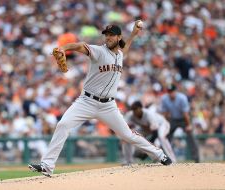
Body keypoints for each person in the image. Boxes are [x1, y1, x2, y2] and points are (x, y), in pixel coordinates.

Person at [28, 21, 172, 177]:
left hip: (108, 106)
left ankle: (159, 155)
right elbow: (81, 46)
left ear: (118, 37)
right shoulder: (99, 51)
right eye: (106, 35)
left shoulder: (120, 54)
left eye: (111, 35)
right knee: (63, 124)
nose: (108, 38)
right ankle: (47, 165)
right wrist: (63, 48)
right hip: (86, 102)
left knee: (128, 135)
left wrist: (133, 34)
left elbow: (126, 48)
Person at [122, 101, 177, 165]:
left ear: (141, 108)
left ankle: (173, 160)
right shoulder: (131, 114)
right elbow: (123, 126)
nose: (134, 111)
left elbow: (155, 134)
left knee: (161, 137)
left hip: (161, 125)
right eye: (133, 109)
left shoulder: (149, 114)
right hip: (146, 128)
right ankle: (128, 161)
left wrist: (146, 153)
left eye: (136, 109)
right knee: (127, 137)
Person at [160, 83, 199, 162]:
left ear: (175, 91)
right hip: (173, 119)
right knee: (165, 136)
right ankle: (163, 158)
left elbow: (186, 114)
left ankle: (196, 159)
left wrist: (189, 125)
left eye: (172, 91)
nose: (171, 93)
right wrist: (164, 125)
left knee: (191, 136)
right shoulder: (164, 99)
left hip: (184, 119)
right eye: (169, 92)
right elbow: (165, 114)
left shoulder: (182, 98)